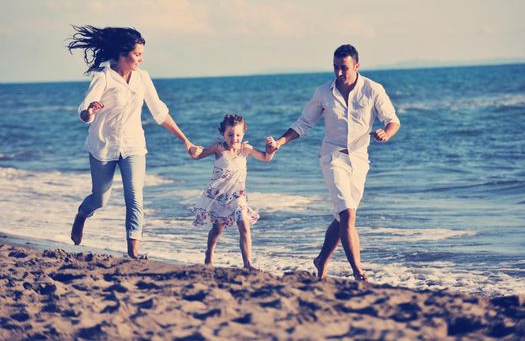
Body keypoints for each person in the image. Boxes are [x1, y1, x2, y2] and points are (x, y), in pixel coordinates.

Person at [267, 44, 400, 280]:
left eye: (344, 68)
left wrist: (386, 133)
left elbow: (393, 120)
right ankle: (359, 273)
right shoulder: (323, 92)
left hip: (359, 160)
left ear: (357, 66)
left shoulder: (373, 89)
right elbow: (303, 123)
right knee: (348, 215)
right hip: (332, 157)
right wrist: (279, 142)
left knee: (341, 218)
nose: (339, 72)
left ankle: (321, 260)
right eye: (335, 67)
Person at [67, 25, 200, 258]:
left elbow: (159, 112)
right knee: (99, 199)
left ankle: (133, 255)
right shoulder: (103, 76)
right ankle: (81, 215)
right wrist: (90, 111)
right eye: (137, 54)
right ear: (122, 53)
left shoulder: (142, 78)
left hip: (133, 145)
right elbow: (84, 111)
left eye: (142, 54)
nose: (141, 58)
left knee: (135, 197)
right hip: (103, 147)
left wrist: (186, 141)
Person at [191, 114, 276, 270]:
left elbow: (266, 158)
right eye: (230, 135)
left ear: (243, 134)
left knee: (244, 225)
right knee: (218, 229)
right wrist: (194, 150)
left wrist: (270, 150)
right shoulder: (218, 148)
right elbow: (199, 155)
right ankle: (209, 254)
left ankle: (248, 263)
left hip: (238, 197)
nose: (234, 138)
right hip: (219, 196)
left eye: (238, 135)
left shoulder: (246, 149)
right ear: (223, 134)